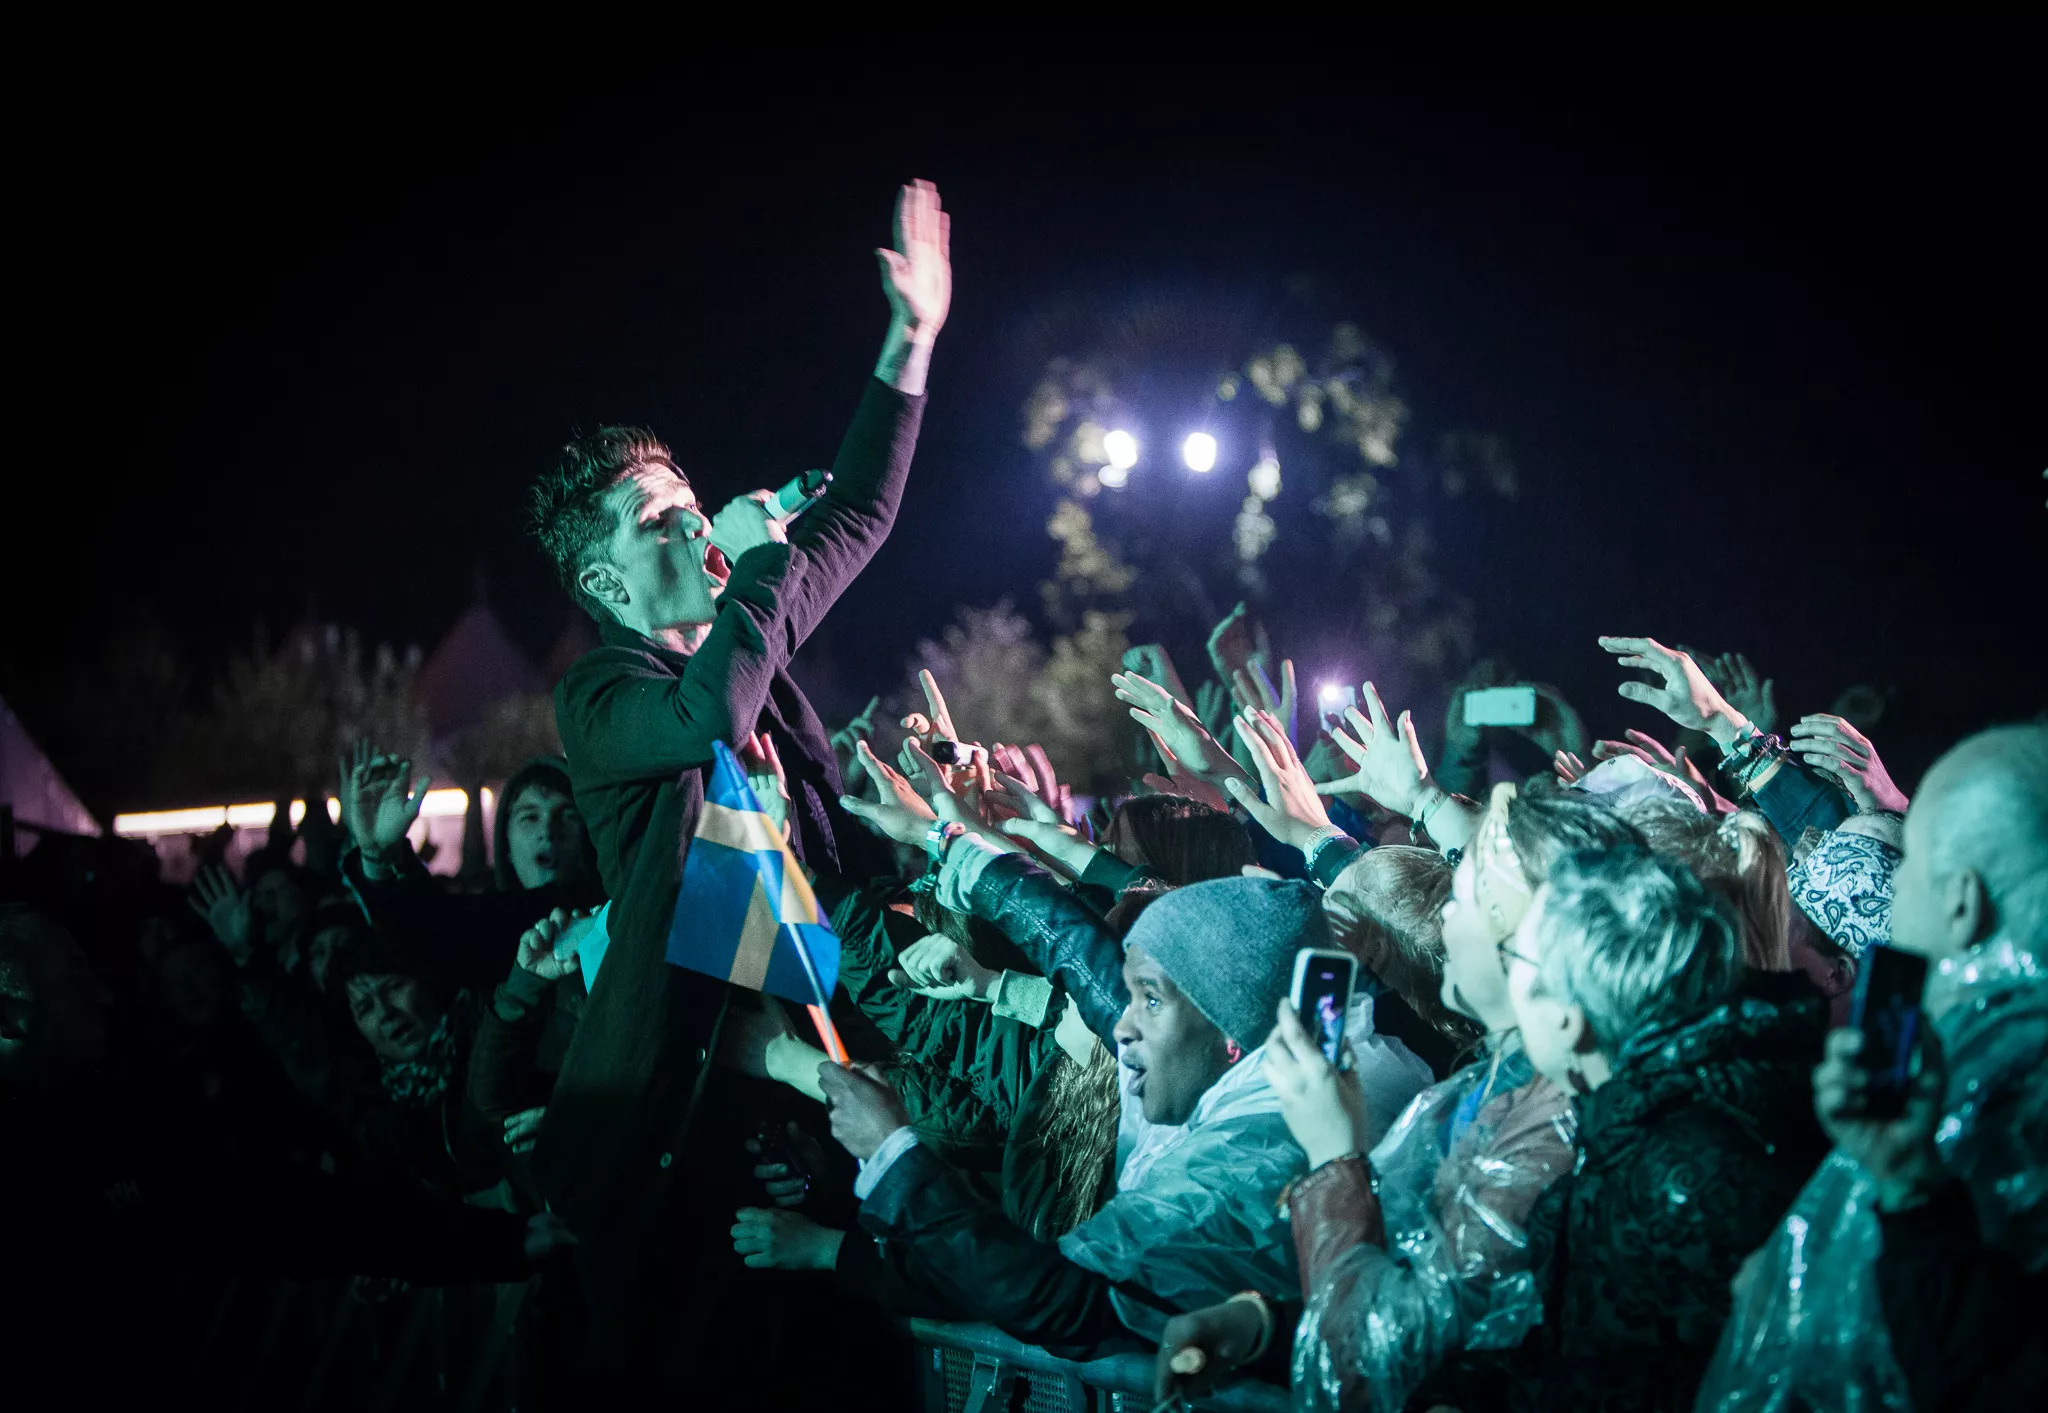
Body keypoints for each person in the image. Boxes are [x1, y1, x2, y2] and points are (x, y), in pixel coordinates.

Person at [524, 179, 950, 1386]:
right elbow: (705, 707)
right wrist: (760, 566)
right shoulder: (601, 698)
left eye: (690, 503)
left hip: (793, 1117)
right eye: (661, 522)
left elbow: (856, 512)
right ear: (608, 587)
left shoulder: (746, 635)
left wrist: (907, 340)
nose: (698, 523)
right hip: (662, 1155)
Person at [1156, 783, 1637, 1411]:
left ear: (1541, 950)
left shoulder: (1551, 1133)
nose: (1447, 919)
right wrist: (1262, 1327)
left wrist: (1334, 1159)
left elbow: (1376, 1367)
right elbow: (1428, 1298)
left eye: (1468, 900)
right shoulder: (1502, 1085)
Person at [1, 905, 575, 1405]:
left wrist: (495, 1241)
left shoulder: (118, 1128)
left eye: (392, 988)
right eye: (73, 980)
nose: (102, 993)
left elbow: (292, 1211)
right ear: (9, 1015)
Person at [816, 874, 1345, 1351]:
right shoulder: (1235, 1083)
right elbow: (1087, 975)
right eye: (1130, 996)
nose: (1121, 1027)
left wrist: (895, 1155)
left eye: (1151, 1001)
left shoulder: (1242, 1158)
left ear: (1228, 1025)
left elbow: (1060, 1298)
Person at [1700, 723, 2048, 1412]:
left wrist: (1910, 1189)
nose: (1896, 868)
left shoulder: (1989, 1110)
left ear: (1961, 901)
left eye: (1910, 850)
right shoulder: (1926, 1059)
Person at [1484, 843, 1830, 1411]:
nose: (1505, 974)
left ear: (1568, 1019)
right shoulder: (1683, 1092)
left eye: (1514, 959)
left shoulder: (1681, 1181)